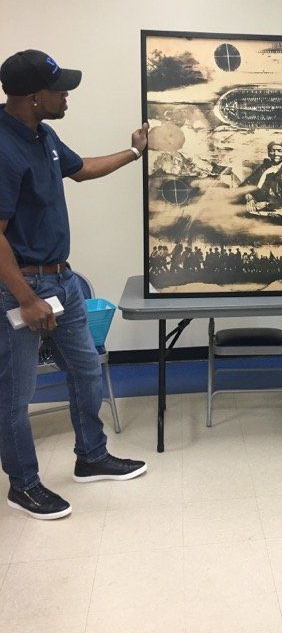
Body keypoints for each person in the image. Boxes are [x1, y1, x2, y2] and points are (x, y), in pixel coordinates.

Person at [0, 49, 149, 520]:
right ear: (32, 96)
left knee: (86, 370)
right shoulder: (2, 147)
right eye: (60, 89)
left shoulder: (43, 135)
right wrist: (24, 298)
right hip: (19, 286)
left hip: (61, 281)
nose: (67, 95)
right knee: (15, 394)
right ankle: (23, 485)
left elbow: (81, 169)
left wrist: (135, 152)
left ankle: (91, 456)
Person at [242, 141, 282, 212]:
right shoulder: (265, 166)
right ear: (268, 153)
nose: (276, 154)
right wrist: (249, 197)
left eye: (280, 151)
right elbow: (247, 184)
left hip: (280, 209)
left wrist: (267, 204)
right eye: (272, 151)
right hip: (258, 206)